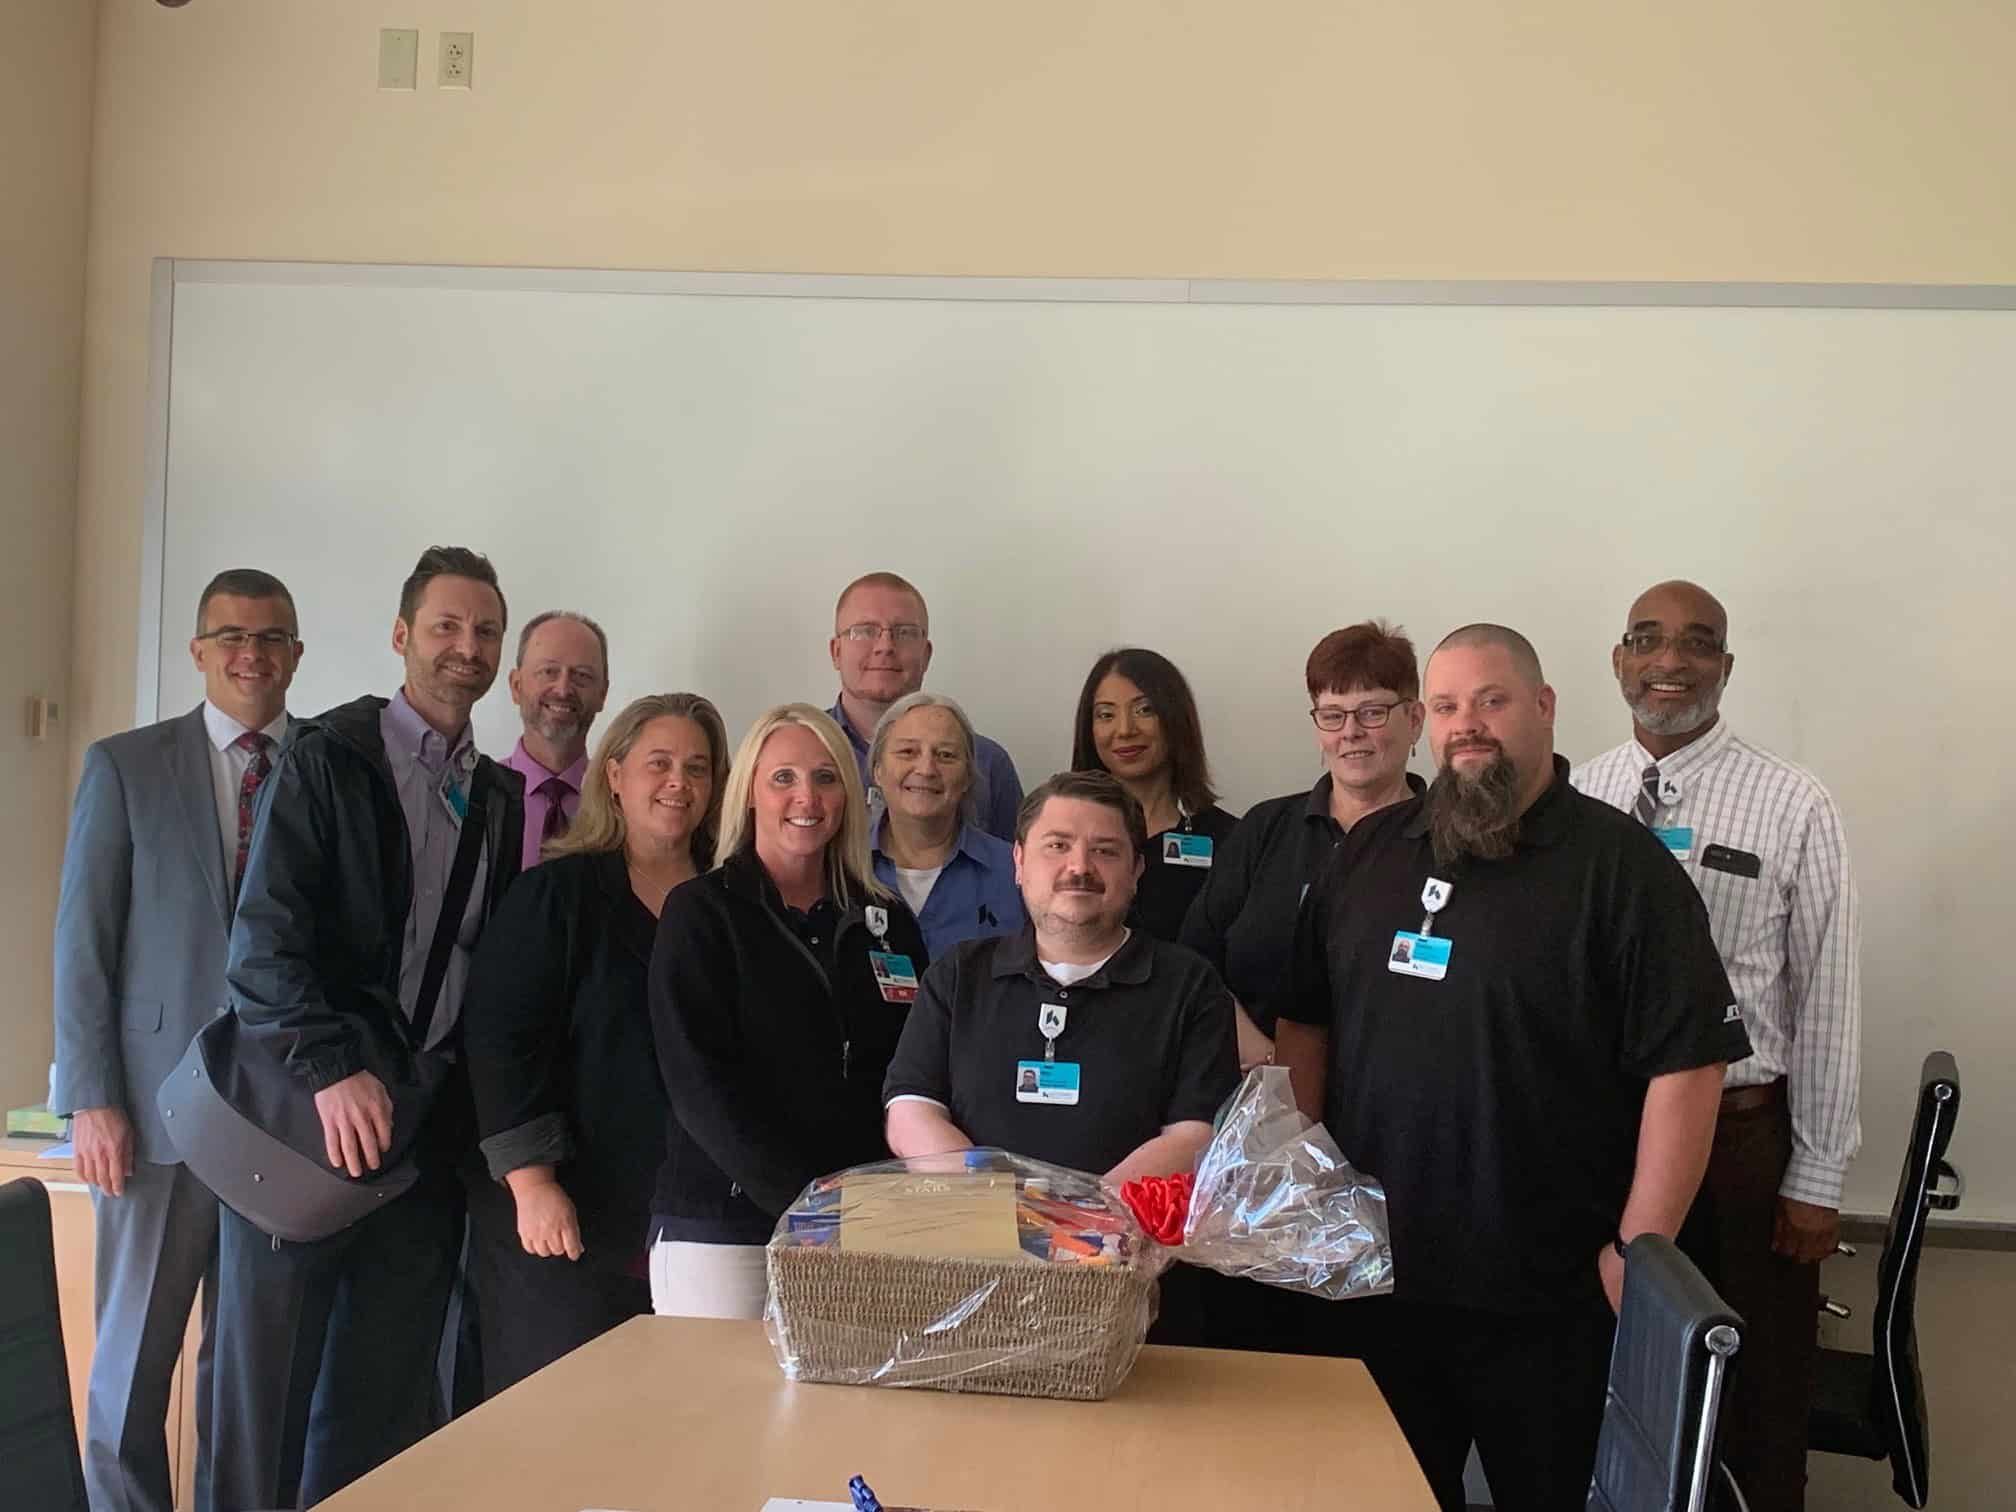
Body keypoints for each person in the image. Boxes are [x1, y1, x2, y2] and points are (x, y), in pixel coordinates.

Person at [1277, 623, 1749, 1510]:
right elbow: (1307, 1022)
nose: (1469, 726)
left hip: (1553, 1295)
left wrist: (1636, 1255)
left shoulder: (1623, 871)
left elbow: (1687, 1068)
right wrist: (1307, 1188)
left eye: (1492, 701)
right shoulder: (1370, 854)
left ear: (1543, 707)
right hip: (1381, 1280)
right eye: (1449, 706)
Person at [209, 546, 525, 1511]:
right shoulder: (329, 758)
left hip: (418, 1144)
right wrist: (332, 1069)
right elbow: (262, 949)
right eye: (445, 626)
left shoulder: (501, 798)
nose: (464, 648)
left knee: (380, 1408)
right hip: (307, 1125)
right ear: (401, 637)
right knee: (261, 1407)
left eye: (483, 632)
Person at [1573, 579, 1861, 1512]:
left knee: (1756, 1394)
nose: (1670, 662)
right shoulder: (1582, 792)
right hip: (1610, 1140)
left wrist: (1816, 1177)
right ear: (1618, 659)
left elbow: (1827, 992)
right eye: (1647, 640)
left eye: (1697, 644)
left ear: (1726, 668)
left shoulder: (1793, 802)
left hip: (1740, 1143)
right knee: (1612, 1375)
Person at [52, 568, 301, 1512]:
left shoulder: (322, 764)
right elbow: (84, 944)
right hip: (153, 1115)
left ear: (296, 655)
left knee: (247, 1379)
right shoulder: (125, 765)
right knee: (130, 1374)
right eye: (233, 636)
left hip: (279, 1125)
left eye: (272, 638)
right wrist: (93, 1098)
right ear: (198, 651)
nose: (252, 654)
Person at [883, 769, 1238, 1342]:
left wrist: (1084, 1225)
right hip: (971, 1284)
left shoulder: (1188, 985)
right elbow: (910, 1112)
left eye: (1105, 850)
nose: (1079, 867)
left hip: (1136, 1292)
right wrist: (1001, 1215)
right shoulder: (959, 976)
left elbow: (1195, 1134)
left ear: (1137, 869)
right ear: (1019, 863)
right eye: (1058, 846)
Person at [463, 693, 729, 1398]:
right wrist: (534, 1183)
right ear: (614, 776)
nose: (679, 783)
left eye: (697, 768)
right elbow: (501, 1042)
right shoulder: (557, 893)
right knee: (560, 1434)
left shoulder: (728, 904)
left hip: (690, 1221)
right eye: (659, 764)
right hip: (565, 1222)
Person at [647, 703, 928, 1320]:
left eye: (826, 778)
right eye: (784, 778)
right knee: (725, 1417)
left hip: (864, 1230)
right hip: (727, 1230)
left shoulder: (887, 922)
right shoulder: (702, 912)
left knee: (846, 1418)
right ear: (748, 792)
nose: (807, 796)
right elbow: (699, 1087)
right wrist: (807, 1207)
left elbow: (917, 1076)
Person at [1180, 621, 1426, 1074]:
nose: (1350, 732)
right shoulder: (1266, 828)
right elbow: (1194, 961)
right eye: (1332, 714)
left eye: (1372, 712)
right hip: (1252, 1093)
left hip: (1396, 1100)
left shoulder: (1446, 840)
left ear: (1415, 720)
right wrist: (1269, 1061)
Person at [827, 570, 1023, 840]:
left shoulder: (987, 763)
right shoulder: (802, 753)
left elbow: (1019, 874)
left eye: (904, 632)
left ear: (926, 654)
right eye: (865, 631)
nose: (885, 646)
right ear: (836, 652)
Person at [1071, 648, 1237, 943]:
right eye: (1106, 714)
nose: (1124, 730)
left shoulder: (1231, 841)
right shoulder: (1064, 835)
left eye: (1144, 710)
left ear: (1175, 718)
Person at [868, 690, 1026, 959]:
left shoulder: (1018, 873)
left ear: (967, 777)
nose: (926, 769)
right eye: (907, 751)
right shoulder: (840, 868)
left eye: (946, 755)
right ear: (878, 770)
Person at [500, 609, 610, 871]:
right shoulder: (475, 795)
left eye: (582, 676)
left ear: (602, 694)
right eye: (548, 671)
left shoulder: (621, 804)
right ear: (516, 686)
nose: (563, 689)